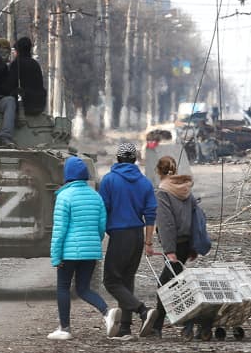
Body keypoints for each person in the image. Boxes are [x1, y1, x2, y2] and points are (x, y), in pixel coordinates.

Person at [98, 141, 159, 338]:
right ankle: (125, 327)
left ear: (117, 158)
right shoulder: (144, 183)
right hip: (137, 236)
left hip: (119, 235)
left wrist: (100, 233)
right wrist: (148, 242)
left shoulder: (109, 180)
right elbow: (150, 215)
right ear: (135, 159)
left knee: (110, 281)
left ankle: (142, 310)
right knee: (126, 280)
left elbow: (103, 210)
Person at [47, 156, 110, 340]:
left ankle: (65, 328)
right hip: (90, 251)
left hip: (69, 252)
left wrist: (55, 256)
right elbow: (101, 227)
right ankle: (107, 312)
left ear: (67, 175)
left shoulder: (64, 196)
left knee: (63, 287)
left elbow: (59, 230)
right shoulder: (95, 196)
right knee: (84, 289)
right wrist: (93, 244)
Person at [149, 155, 204, 339]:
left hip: (174, 245)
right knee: (175, 283)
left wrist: (169, 250)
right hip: (187, 243)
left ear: (158, 171)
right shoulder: (186, 190)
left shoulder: (163, 192)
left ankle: (164, 327)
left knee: (165, 286)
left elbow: (166, 224)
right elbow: (197, 218)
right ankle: (184, 326)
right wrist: (194, 246)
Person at [3, 36, 47, 117]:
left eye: (15, 51)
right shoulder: (35, 64)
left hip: (25, 105)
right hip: (40, 105)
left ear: (18, 51)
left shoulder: (17, 64)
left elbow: (9, 86)